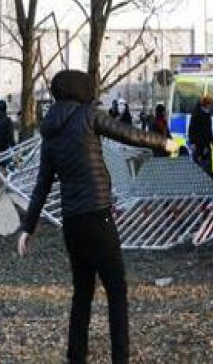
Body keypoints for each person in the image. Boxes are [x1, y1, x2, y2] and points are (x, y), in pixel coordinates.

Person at [18, 70, 176, 364]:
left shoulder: (50, 130)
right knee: (116, 290)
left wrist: (28, 227)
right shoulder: (89, 115)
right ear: (81, 90)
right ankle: (120, 358)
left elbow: (42, 183)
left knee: (82, 293)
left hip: (72, 222)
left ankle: (75, 358)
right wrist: (162, 143)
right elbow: (128, 133)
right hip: (98, 215)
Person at [187, 92, 213, 181]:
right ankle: (198, 182)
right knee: (200, 165)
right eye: (210, 104)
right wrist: (193, 143)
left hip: (205, 145)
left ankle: (206, 181)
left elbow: (209, 130)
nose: (210, 106)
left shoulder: (207, 114)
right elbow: (192, 129)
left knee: (207, 165)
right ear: (206, 104)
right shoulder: (197, 114)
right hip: (198, 145)